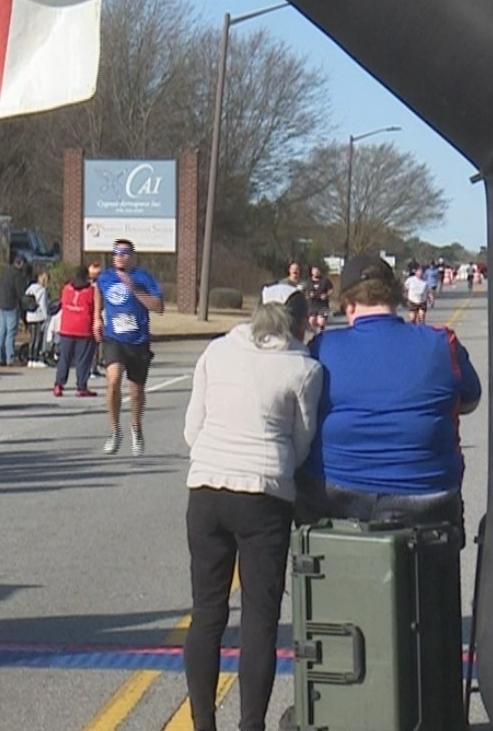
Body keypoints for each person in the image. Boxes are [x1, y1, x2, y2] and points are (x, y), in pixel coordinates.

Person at [182, 290, 324, 731]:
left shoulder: (217, 350)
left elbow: (192, 429)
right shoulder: (304, 369)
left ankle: (203, 721)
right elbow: (301, 443)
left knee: (207, 612)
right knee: (259, 619)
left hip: (206, 488)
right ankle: (250, 725)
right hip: (263, 495)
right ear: (299, 323)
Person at [304, 255, 481, 527]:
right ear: (397, 297)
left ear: (348, 304)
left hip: (336, 493)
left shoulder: (321, 348)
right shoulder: (441, 343)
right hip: (427, 494)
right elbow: (470, 400)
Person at [97, 239, 164, 457]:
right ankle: (115, 431)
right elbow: (98, 295)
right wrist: (96, 319)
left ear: (133, 256)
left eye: (125, 253)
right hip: (114, 338)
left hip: (138, 340)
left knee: (136, 392)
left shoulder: (143, 277)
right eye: (116, 252)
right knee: (113, 381)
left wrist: (134, 289)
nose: (120, 256)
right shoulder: (105, 277)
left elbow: (159, 307)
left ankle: (136, 428)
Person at [54, 261, 100, 398]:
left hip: (66, 328)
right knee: (83, 359)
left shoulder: (67, 288)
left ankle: (59, 384)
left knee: (65, 358)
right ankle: (81, 386)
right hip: (83, 329)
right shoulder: (91, 291)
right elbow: (97, 308)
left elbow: (62, 303)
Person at [0, 253, 30, 366]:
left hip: (1, 304)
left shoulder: (6, 272)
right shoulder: (17, 275)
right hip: (11, 304)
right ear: (21, 264)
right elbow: (21, 292)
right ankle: (10, 357)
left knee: (2, 331)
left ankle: (0, 357)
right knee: (10, 332)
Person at [24, 267, 51, 368]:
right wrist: (46, 317)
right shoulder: (42, 291)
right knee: (37, 339)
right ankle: (35, 359)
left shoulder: (30, 288)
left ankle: (30, 359)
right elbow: (43, 305)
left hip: (29, 316)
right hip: (38, 317)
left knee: (32, 339)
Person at [305, 264, 334, 335]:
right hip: (312, 304)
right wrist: (308, 295)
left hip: (323, 305)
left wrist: (326, 295)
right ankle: (314, 335)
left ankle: (322, 333)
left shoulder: (325, 280)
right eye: (314, 270)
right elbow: (304, 292)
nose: (316, 272)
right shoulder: (308, 282)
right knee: (311, 321)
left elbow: (331, 290)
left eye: (317, 270)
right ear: (311, 272)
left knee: (321, 321)